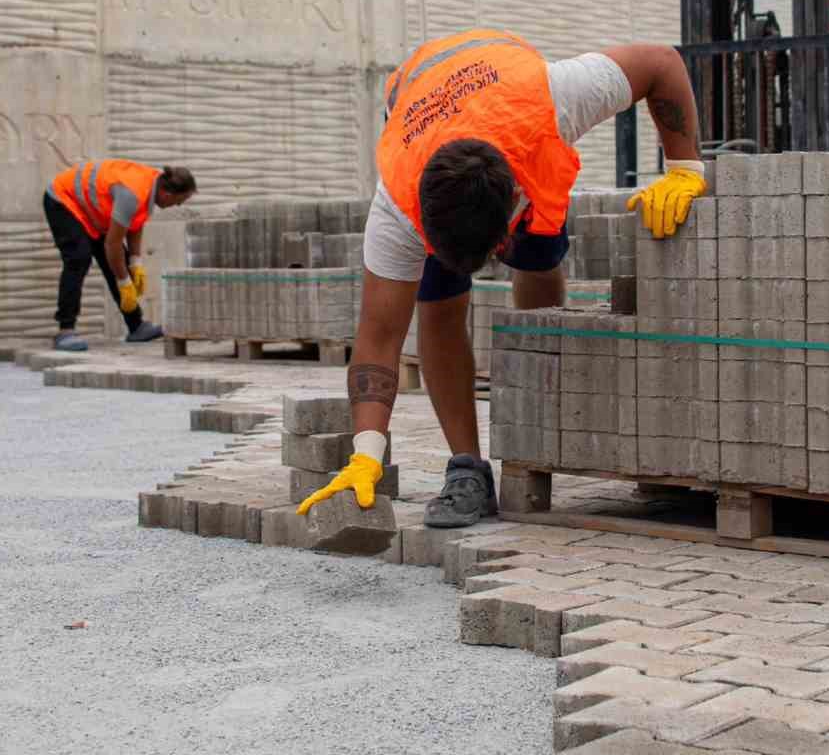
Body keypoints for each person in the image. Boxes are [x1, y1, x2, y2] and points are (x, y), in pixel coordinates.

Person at [297, 30, 705, 529]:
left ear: (514, 195)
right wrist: (365, 453)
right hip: (419, 106)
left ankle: (538, 425)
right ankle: (467, 469)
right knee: (439, 301)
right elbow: (378, 338)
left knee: (537, 255)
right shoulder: (397, 210)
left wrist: (685, 168)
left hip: (505, 89)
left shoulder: (557, 97)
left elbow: (661, 62)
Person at [43, 160, 196, 352]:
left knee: (119, 263)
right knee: (78, 259)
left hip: (91, 211)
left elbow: (134, 224)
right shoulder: (132, 194)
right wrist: (124, 282)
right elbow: (112, 244)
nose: (178, 205)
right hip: (63, 200)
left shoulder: (151, 185)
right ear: (167, 193)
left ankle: (136, 326)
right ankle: (65, 331)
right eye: (179, 201)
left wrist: (135, 262)